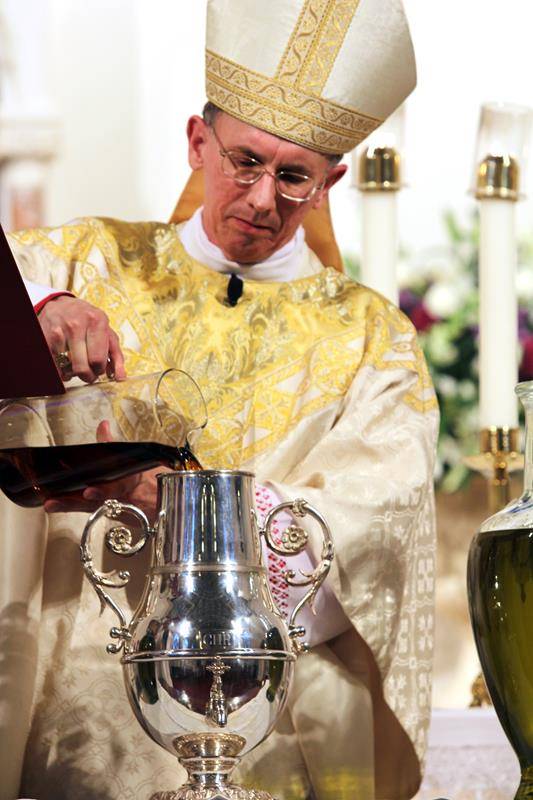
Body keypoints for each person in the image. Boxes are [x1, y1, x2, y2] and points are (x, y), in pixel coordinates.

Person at [0, 1, 438, 799]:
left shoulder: (375, 340)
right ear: (198, 143)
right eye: (244, 162)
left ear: (330, 181)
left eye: (294, 175)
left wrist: (164, 499)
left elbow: (373, 542)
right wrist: (43, 308)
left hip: (267, 734)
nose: (264, 198)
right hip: (72, 724)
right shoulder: (85, 257)